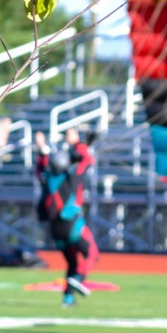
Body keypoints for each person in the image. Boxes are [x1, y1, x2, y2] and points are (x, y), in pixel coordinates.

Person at [34, 128, 99, 305]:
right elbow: (87, 160)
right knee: (91, 254)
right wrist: (78, 143)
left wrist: (41, 147)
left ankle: (68, 298)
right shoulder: (72, 177)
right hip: (72, 224)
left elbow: (40, 166)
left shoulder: (46, 178)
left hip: (54, 229)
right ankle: (78, 279)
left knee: (71, 261)